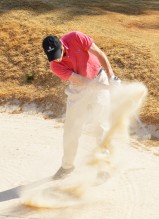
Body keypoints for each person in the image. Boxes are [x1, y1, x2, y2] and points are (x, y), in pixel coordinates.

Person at [42, 31, 121, 179]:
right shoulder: (54, 65)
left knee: (101, 126)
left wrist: (112, 77)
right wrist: (107, 88)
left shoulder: (76, 37)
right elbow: (83, 82)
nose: (57, 59)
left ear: (61, 44)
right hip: (78, 89)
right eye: (53, 57)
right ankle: (67, 166)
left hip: (99, 76)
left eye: (58, 54)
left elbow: (99, 53)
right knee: (71, 128)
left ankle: (103, 166)